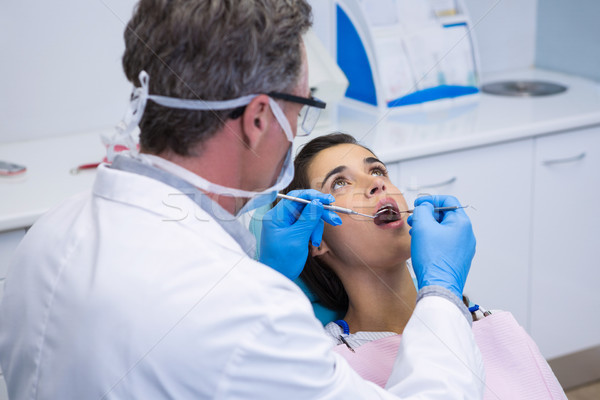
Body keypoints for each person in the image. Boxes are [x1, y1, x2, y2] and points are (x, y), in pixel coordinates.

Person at [0, 1, 483, 399]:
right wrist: (440, 292)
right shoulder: (250, 312)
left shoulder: (49, 234)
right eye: (303, 107)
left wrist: (264, 273)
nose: (298, 129)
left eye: (376, 169)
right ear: (258, 118)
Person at [284, 133, 567, 399]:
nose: (376, 184)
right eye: (340, 183)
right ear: (315, 238)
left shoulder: (492, 324)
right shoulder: (321, 365)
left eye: (377, 171)